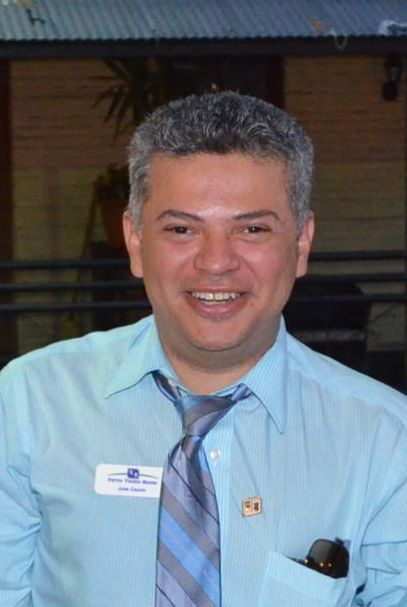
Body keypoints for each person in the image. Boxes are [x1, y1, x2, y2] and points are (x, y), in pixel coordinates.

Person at [0, 91, 406, 607]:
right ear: (134, 241)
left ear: (301, 243)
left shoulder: (385, 439)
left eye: (252, 229)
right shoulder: (28, 404)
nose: (216, 262)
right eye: (182, 229)